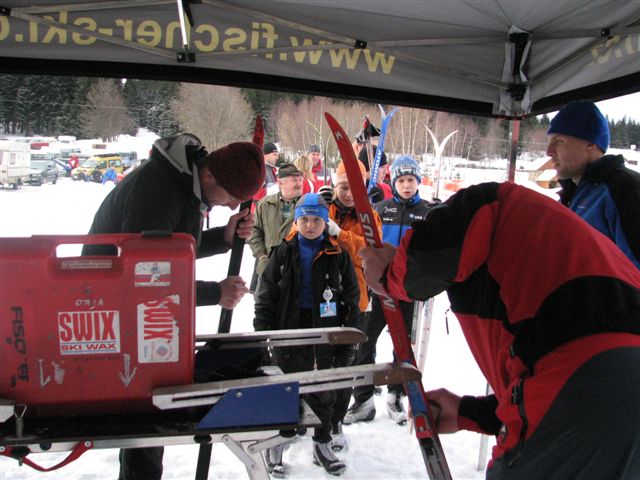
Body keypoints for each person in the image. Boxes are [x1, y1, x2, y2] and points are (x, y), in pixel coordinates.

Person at [359, 181, 640, 479]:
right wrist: (470, 412)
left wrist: (389, 275)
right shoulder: (555, 247)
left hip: (574, 383)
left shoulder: (489, 203)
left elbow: (576, 374)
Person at [83, 133, 265, 480]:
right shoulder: (159, 190)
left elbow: (176, 246)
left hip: (131, 304)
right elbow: (146, 279)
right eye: (231, 197)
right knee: (149, 408)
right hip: (111, 304)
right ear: (211, 175)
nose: (230, 207)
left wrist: (223, 238)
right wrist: (215, 293)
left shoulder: (186, 183)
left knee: (153, 407)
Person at [254, 193, 361, 477]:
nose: (310, 225)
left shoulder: (338, 255)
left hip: (324, 330)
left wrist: (348, 336)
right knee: (285, 387)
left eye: (317, 220)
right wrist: (263, 334)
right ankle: (277, 443)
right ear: (296, 221)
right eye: (304, 219)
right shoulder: (282, 252)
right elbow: (265, 295)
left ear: (326, 223)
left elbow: (352, 297)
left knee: (322, 388)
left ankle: (322, 442)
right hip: (288, 327)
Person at [345, 156, 437, 426]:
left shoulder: (427, 212)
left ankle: (396, 394)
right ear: (393, 182)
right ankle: (363, 398)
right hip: (379, 287)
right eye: (401, 180)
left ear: (418, 181)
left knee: (402, 346)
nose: (406, 185)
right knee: (365, 340)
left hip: (408, 290)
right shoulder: (381, 208)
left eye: (411, 180)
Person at [320, 159, 383, 450]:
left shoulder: (368, 216)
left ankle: (335, 422)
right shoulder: (321, 207)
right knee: (317, 361)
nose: (347, 193)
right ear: (335, 185)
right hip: (320, 297)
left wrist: (339, 234)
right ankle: (314, 419)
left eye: (353, 188)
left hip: (354, 299)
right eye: (343, 187)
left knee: (345, 364)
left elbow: (371, 254)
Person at [546, 100, 640, 269]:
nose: (548, 151)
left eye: (559, 141)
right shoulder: (572, 194)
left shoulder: (624, 189)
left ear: (590, 144)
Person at [249, 163, 304, 283]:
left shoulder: (307, 206)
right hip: (268, 268)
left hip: (297, 271)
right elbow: (253, 231)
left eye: (300, 180)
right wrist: (261, 256)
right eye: (295, 180)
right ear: (280, 183)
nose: (299, 184)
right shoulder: (264, 204)